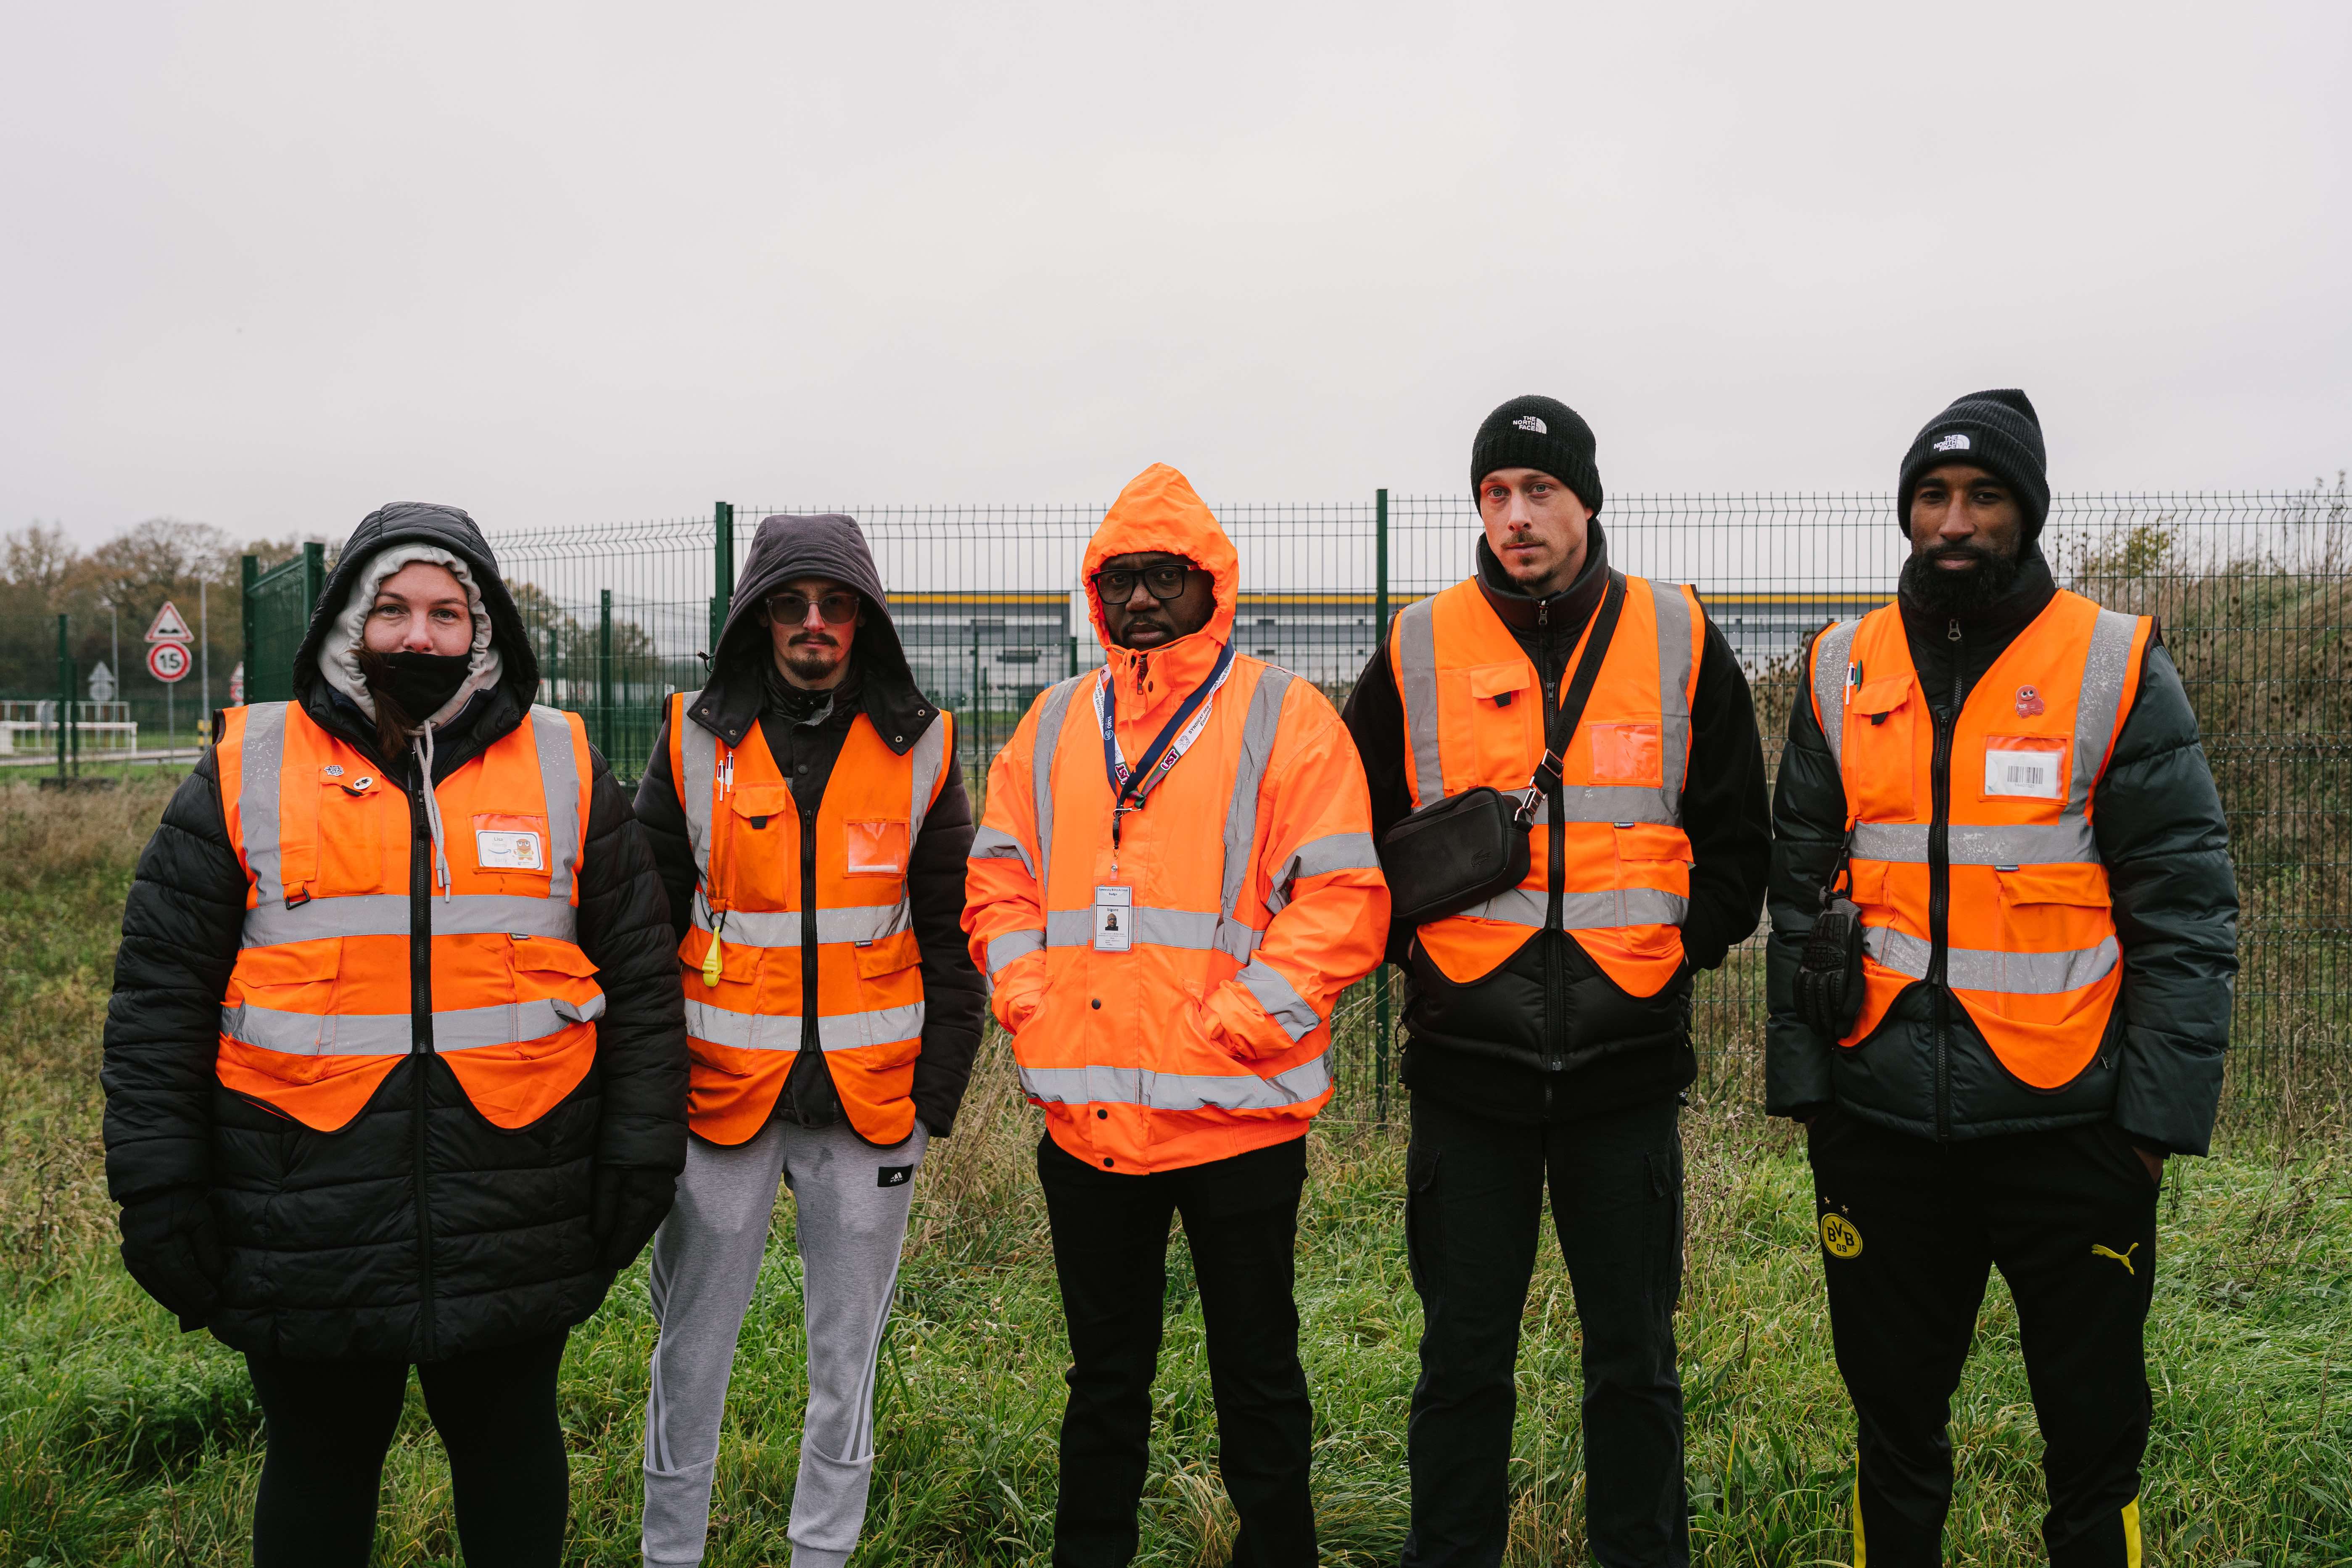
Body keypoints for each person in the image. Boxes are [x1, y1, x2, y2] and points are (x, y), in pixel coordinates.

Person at [100, 502, 689, 1568]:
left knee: (510, 1448)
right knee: (320, 1462)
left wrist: (641, 1152)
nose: (420, 636)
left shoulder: (561, 762)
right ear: (346, 624)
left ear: (485, 630)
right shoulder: (250, 763)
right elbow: (158, 996)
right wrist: (160, 1185)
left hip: (516, 1194)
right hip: (301, 1206)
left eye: (447, 613)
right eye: (394, 609)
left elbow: (644, 978)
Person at [1767, 390, 2238, 1566]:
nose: (1954, 520)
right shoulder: (1838, 667)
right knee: (1893, 1438)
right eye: (1932, 495)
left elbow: (2184, 907)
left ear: (2025, 513)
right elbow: (1794, 892)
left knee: (2091, 1444)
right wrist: (1809, 1093)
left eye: (1982, 496)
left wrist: (2152, 1125)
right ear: (1906, 512)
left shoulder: (2112, 661)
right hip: (1878, 1128)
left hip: (2069, 1131)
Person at [1342, 396, 1770, 1568]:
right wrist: (1419, 958)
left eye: (1539, 491)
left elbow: (1738, 836)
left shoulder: (1677, 634)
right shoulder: (1416, 643)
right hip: (1464, 1080)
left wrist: (1679, 950)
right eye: (1494, 494)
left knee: (1633, 1366)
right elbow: (1347, 836)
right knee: (1460, 1363)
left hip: (1625, 1078)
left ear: (1586, 499)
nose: (1516, 516)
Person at [964, 463, 1387, 1568]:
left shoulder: (1283, 717)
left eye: (1165, 577)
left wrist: (1241, 1025)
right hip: (1086, 1129)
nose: (1140, 599)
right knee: (1102, 1383)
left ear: (1214, 586)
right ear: (1093, 595)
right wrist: (1028, 1000)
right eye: (1119, 580)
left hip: (1238, 1122)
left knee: (1257, 1378)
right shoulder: (1055, 721)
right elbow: (998, 875)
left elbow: (1342, 897)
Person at [631, 512, 985, 1568]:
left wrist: (935, 1096)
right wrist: (651, 1090)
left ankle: (820, 1556)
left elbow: (953, 928)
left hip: (870, 1109)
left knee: (848, 1357)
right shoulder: (691, 738)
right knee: (688, 1352)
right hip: (718, 1100)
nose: (814, 624)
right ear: (758, 618)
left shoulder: (924, 745)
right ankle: (670, 1554)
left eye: (835, 605)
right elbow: (643, 922)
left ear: (864, 618)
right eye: (792, 605)